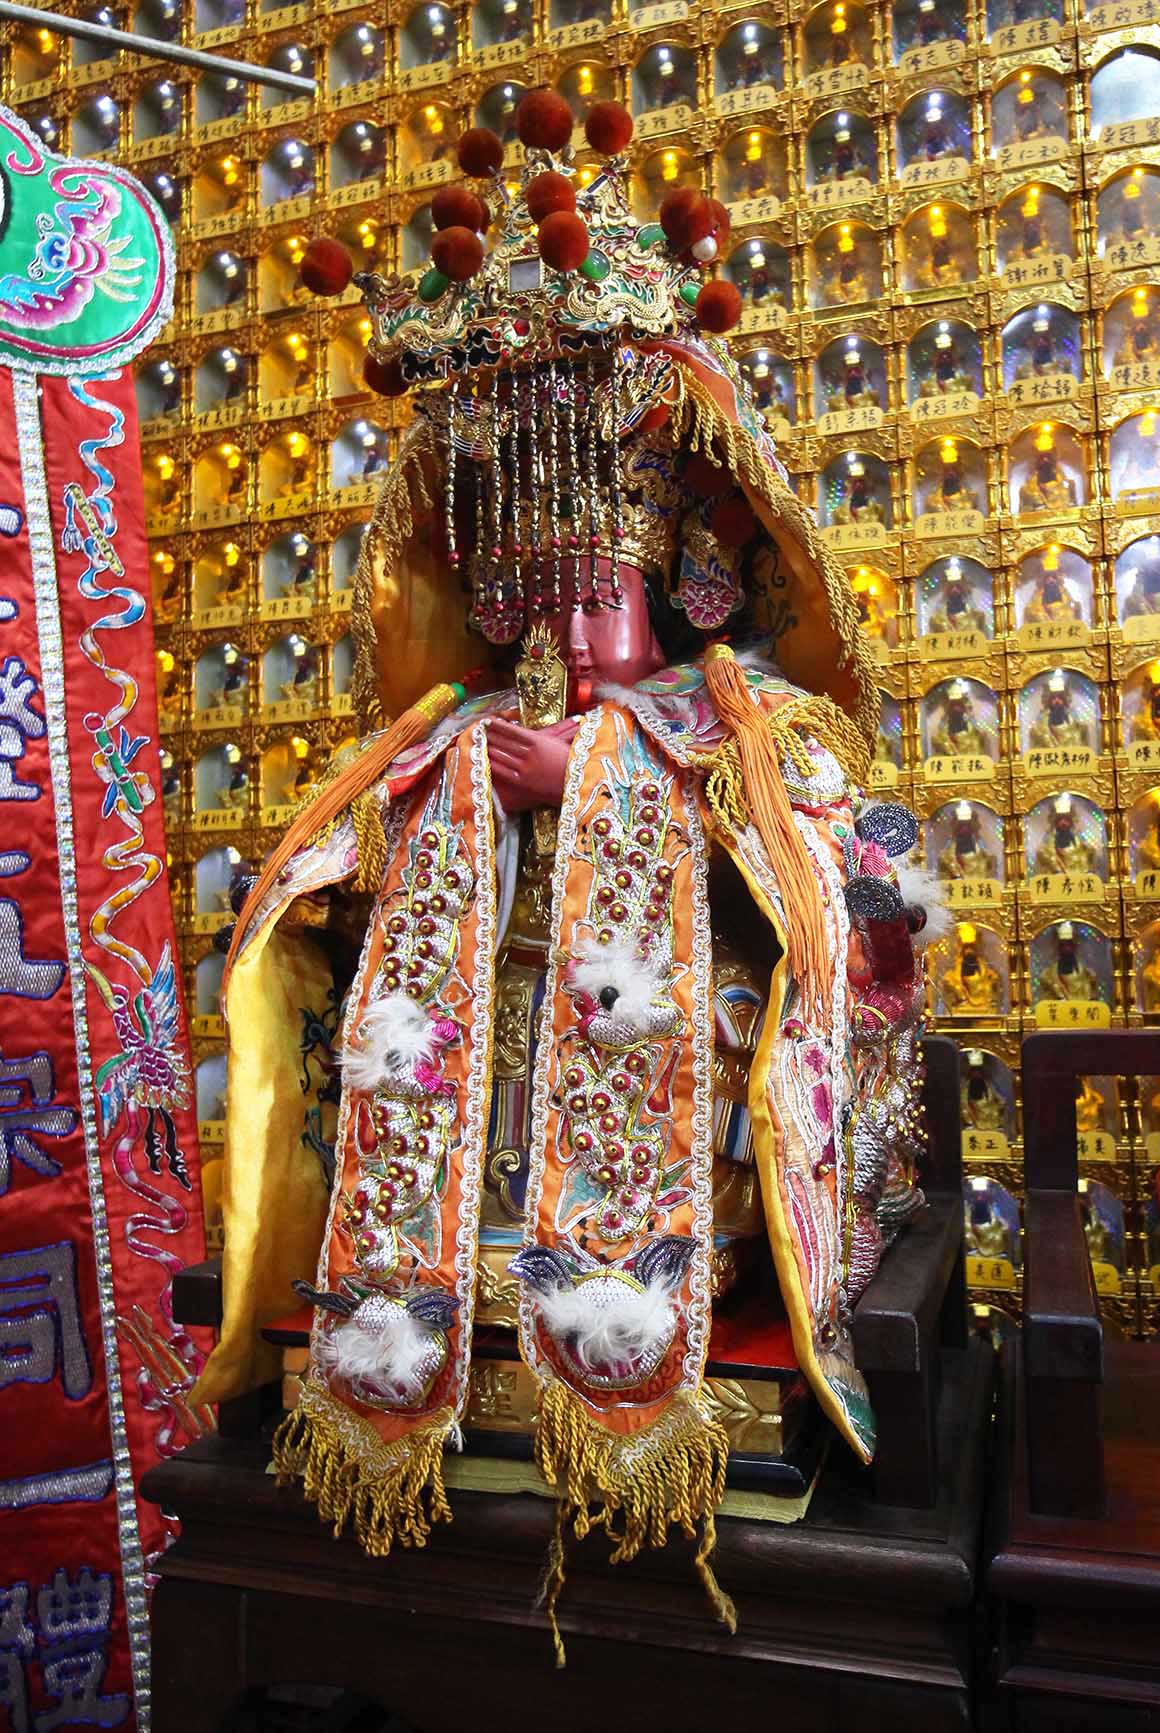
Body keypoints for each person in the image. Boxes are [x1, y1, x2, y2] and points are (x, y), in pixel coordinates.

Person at [195, 95, 941, 1620]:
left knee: (708, 1015)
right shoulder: (455, 727)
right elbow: (332, 868)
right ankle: (430, 1279)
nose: (565, 642)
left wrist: (601, 768)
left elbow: (823, 893)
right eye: (533, 603)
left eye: (593, 599)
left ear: (680, 585)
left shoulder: (747, 720)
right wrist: (425, 807)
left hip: (662, 1087)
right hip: (486, 1095)